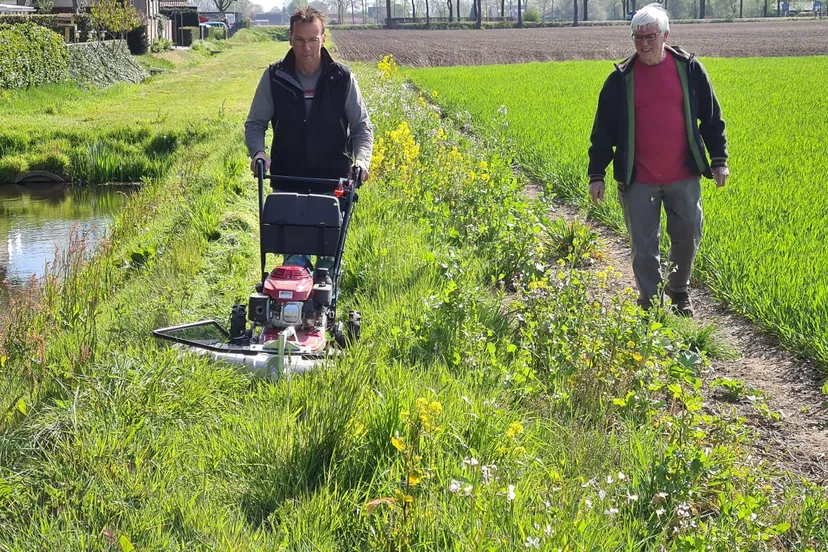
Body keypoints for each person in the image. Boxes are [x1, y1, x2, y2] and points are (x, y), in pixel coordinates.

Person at [586, 3, 729, 317]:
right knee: (644, 247)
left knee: (688, 235)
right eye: (638, 37)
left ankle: (678, 291)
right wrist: (597, 174)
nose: (644, 43)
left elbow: (711, 118)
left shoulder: (690, 69)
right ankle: (649, 303)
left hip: (683, 176)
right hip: (639, 180)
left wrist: (719, 159)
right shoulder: (620, 79)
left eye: (650, 36)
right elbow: (603, 131)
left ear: (666, 35)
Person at [245, 6, 373, 271]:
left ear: (323, 39)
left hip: (332, 184)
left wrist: (361, 161)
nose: (306, 48)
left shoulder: (342, 78)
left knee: (327, 267)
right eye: (300, 40)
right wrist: (258, 153)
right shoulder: (275, 77)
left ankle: (323, 308)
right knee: (293, 266)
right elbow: (255, 123)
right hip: (288, 183)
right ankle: (292, 310)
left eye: (313, 40)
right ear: (290, 39)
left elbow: (361, 127)